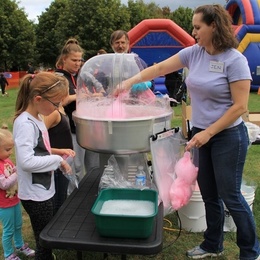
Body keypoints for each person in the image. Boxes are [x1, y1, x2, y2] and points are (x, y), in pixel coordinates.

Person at [115, 5, 260, 260]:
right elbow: (159, 69)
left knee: (231, 195)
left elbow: (240, 107)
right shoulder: (194, 53)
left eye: (197, 27)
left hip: (227, 136)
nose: (194, 32)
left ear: (213, 26)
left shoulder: (234, 60)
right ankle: (212, 244)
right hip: (201, 134)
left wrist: (209, 133)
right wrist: (127, 83)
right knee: (209, 194)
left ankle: (250, 252)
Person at [13, 72, 72, 260]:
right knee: (44, 240)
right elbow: (26, 161)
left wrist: (57, 154)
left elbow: (40, 150)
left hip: (42, 189)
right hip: (35, 195)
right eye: (55, 103)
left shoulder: (37, 118)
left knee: (46, 236)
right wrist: (56, 161)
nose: (58, 107)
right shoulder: (25, 124)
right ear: (38, 98)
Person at [55, 38, 100, 192]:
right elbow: (62, 100)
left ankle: (91, 192)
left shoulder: (79, 76)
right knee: (76, 167)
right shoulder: (60, 77)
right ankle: (73, 197)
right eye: (74, 60)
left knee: (94, 165)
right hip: (71, 130)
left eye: (80, 60)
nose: (78, 63)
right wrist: (81, 96)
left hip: (86, 127)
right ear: (64, 59)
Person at [0, 125, 35, 260]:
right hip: (4, 205)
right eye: (7, 149)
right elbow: (3, 184)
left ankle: (20, 245)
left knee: (18, 225)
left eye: (11, 149)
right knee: (8, 230)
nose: (10, 152)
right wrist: (17, 173)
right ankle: (9, 254)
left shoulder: (6, 161)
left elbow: (14, 169)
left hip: (14, 200)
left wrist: (18, 169)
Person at [43, 102, 76, 214]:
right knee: (58, 200)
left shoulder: (60, 108)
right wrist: (60, 151)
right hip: (57, 164)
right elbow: (40, 142)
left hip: (64, 161)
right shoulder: (53, 113)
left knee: (62, 197)